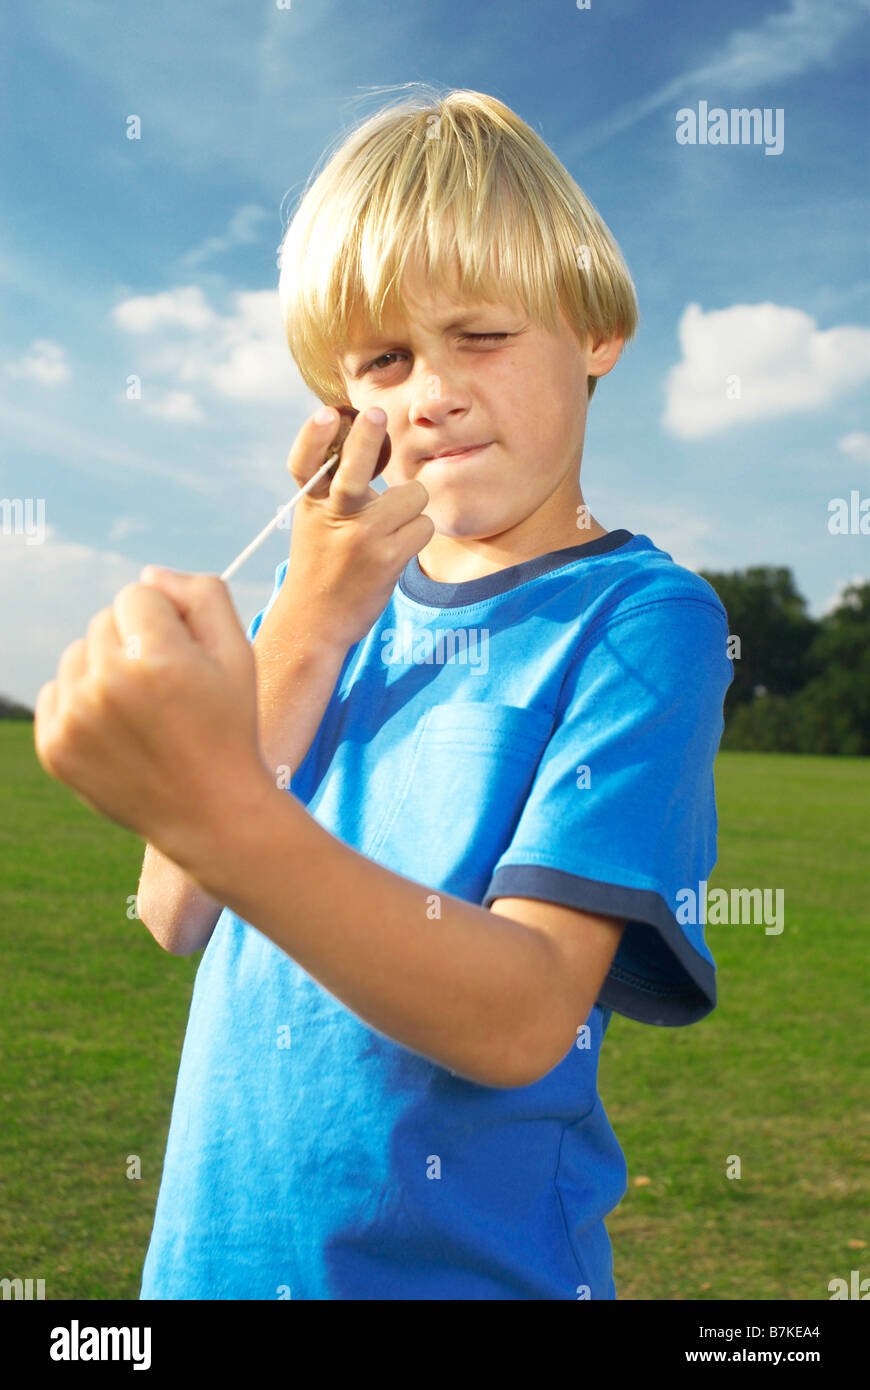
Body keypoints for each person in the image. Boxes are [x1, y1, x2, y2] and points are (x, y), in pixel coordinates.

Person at [35, 88, 733, 1300]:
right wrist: (306, 619)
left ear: (594, 329)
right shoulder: (317, 601)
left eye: (481, 335)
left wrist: (227, 819)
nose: (430, 395)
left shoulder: (642, 619)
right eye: (386, 360)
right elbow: (171, 908)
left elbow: (521, 1018)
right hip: (212, 1271)